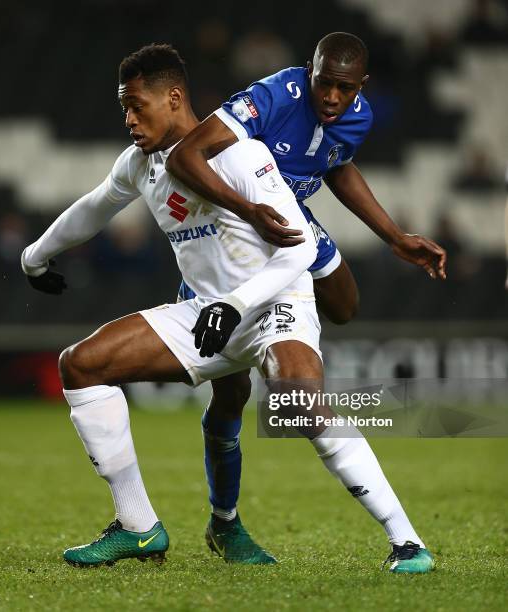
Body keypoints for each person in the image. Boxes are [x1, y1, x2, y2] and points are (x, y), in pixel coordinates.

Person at [22, 44, 434, 573]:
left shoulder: (242, 155)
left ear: (173, 98)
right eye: (123, 107)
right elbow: (93, 208)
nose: (128, 119)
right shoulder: (139, 164)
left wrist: (236, 306)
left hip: (271, 303)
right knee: (80, 364)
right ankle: (139, 527)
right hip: (208, 312)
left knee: (299, 400)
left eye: (136, 106)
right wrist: (36, 256)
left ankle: (407, 543)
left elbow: (301, 251)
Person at [166, 32, 446, 561]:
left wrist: (394, 237)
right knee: (229, 397)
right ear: (308, 71)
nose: (332, 98)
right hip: (235, 236)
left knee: (344, 306)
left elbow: (337, 165)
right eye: (324, 84)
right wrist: (249, 211)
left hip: (292, 229)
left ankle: (285, 327)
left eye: (344, 89)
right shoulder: (274, 96)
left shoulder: (357, 117)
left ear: (361, 86)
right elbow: (188, 155)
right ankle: (224, 519)